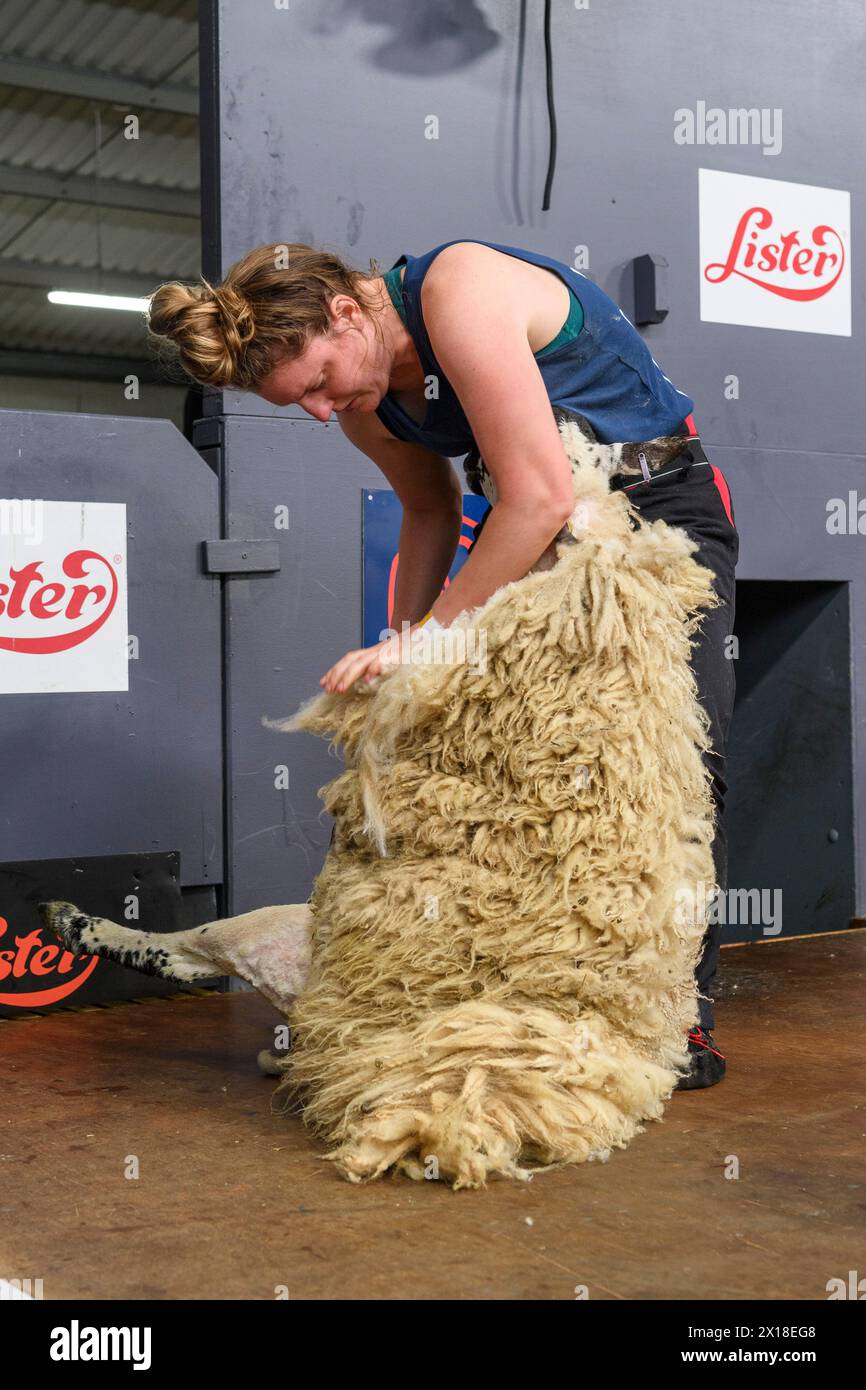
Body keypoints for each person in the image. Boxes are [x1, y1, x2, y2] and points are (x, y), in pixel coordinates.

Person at [147, 237, 739, 1089]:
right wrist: (405, 647)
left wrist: (438, 635)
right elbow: (430, 511)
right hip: (535, 537)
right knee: (521, 767)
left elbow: (537, 491)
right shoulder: (363, 400)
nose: (321, 412)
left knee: (673, 764)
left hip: (653, 516)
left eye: (315, 382)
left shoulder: (458, 289)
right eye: (299, 405)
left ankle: (683, 1016)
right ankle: (545, 986)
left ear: (347, 312)